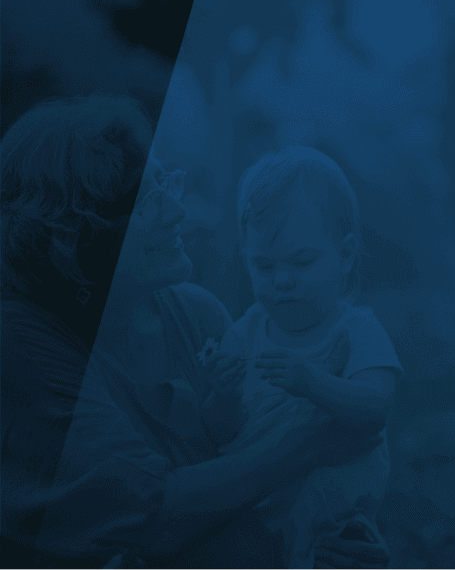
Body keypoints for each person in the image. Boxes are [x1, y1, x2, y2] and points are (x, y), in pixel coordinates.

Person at [1, 95, 379, 568]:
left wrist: (330, 535)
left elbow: (260, 486)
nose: (177, 212)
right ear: (69, 235)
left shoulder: (198, 314)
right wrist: (304, 441)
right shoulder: (23, 345)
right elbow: (150, 517)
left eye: (166, 183)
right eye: (145, 201)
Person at [212, 146, 400, 570]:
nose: (281, 281)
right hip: (259, 508)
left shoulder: (355, 330)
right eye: (263, 265)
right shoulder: (245, 333)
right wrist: (220, 394)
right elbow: (222, 433)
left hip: (335, 515)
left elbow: (376, 408)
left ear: (345, 255)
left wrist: (311, 381)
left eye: (302, 261)